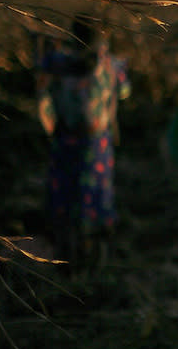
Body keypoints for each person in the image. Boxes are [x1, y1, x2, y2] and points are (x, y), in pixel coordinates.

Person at [36, 14, 130, 265]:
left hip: (64, 137)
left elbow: (41, 85)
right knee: (94, 190)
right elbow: (123, 92)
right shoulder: (111, 65)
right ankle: (91, 251)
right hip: (95, 141)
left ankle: (66, 251)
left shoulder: (55, 63)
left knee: (64, 191)